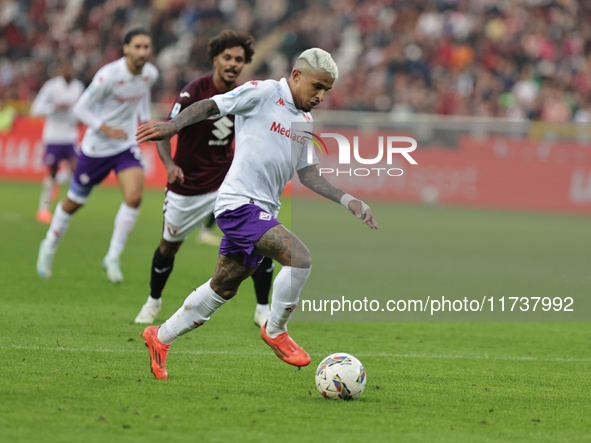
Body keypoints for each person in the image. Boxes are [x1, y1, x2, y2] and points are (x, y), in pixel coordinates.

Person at [136, 48, 378, 380]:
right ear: (296, 76)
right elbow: (212, 105)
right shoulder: (265, 92)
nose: (321, 96)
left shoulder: (304, 120)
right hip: (238, 204)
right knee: (300, 257)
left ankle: (159, 337)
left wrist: (348, 199)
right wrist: (173, 126)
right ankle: (276, 329)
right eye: (317, 86)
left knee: (223, 286)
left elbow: (308, 174)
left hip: (261, 209)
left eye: (327, 90)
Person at [134, 30, 274, 327]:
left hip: (229, 183)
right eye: (227, 57)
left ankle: (263, 309)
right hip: (187, 186)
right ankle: (153, 301)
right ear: (215, 59)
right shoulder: (193, 92)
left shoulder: (245, 96)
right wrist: (169, 163)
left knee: (261, 238)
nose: (233, 64)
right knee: (168, 246)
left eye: (239, 59)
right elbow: (166, 129)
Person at [36, 27, 158, 283]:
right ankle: (48, 246)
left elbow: (143, 93)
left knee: (134, 197)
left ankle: (112, 257)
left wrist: (145, 120)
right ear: (126, 48)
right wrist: (105, 128)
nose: (142, 52)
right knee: (74, 202)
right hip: (96, 148)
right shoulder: (109, 76)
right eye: (137, 46)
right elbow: (80, 108)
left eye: (146, 47)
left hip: (124, 146)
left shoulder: (150, 74)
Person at [30, 60, 85, 224]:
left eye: (71, 67)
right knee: (51, 172)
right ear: (60, 69)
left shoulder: (78, 87)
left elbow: (82, 107)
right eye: (65, 67)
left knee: (76, 170)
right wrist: (55, 107)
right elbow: (35, 109)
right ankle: (43, 209)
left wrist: (78, 115)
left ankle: (59, 185)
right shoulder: (51, 87)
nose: (68, 70)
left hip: (70, 135)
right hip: (54, 135)